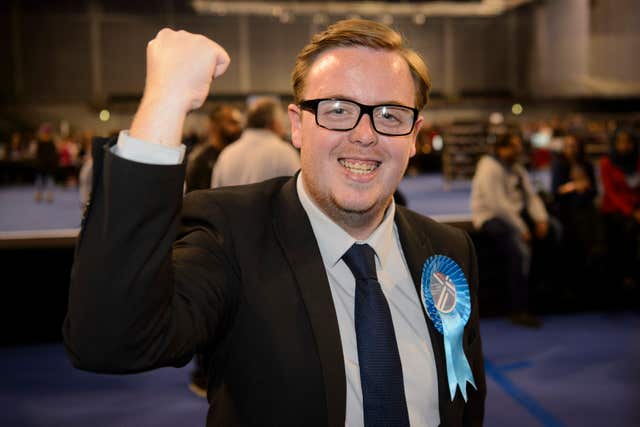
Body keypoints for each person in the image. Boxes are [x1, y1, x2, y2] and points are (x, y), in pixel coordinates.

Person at [64, 19, 485, 426]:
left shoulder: (448, 249)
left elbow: (464, 404)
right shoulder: (231, 234)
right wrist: (165, 98)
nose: (364, 134)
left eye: (390, 115)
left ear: (414, 136)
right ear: (297, 126)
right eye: (337, 109)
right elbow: (108, 340)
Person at [471, 132, 557, 327]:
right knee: (519, 251)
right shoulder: (489, 167)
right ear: (501, 148)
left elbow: (531, 197)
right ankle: (519, 309)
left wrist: (541, 219)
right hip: (490, 217)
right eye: (513, 146)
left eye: (518, 146)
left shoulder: (516, 168)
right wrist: (521, 228)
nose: (518, 150)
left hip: (514, 215)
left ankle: (544, 294)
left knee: (554, 230)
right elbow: (498, 205)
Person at [550, 133, 604, 303]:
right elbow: (557, 192)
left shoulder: (587, 164)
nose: (571, 149)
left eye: (574, 145)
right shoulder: (559, 165)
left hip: (586, 209)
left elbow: (593, 190)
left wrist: (577, 190)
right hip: (567, 212)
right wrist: (576, 186)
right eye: (567, 145)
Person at [211, 97, 300, 188]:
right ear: (274, 123)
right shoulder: (284, 153)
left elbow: (215, 194)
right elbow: (298, 191)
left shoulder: (227, 154)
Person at [599, 127, 640, 292]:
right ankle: (625, 277)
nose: (624, 146)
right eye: (621, 142)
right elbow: (611, 193)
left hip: (637, 208)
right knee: (628, 228)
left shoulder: (638, 161)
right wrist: (632, 211)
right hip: (614, 209)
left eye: (628, 142)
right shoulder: (606, 163)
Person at [184, 105, 243, 193]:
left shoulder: (237, 154)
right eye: (232, 122)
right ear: (215, 125)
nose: (237, 128)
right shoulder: (201, 159)